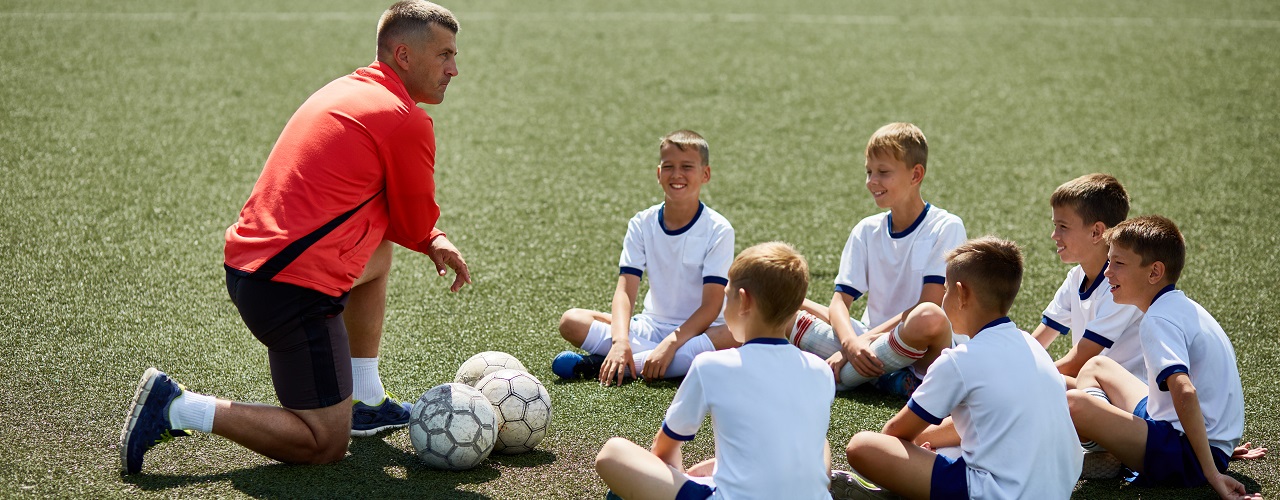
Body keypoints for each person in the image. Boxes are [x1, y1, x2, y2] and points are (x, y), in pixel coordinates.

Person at [119, 1, 470, 474]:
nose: (454, 69)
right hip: (290, 291)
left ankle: (365, 398)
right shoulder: (403, 119)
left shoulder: (349, 88)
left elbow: (395, 224)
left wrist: (430, 237)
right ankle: (179, 406)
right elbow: (412, 222)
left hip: (253, 269)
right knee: (324, 443)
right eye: (445, 55)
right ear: (403, 55)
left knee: (379, 250)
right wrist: (433, 237)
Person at [838, 237, 1082, 500]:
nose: (943, 299)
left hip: (997, 492)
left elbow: (894, 435)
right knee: (947, 448)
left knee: (864, 446)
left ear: (961, 293)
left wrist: (917, 454)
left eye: (945, 290)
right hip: (1057, 489)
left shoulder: (959, 360)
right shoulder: (1031, 346)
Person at [595, 242, 834, 500]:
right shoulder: (821, 370)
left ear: (743, 300)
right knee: (819, 441)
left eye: (726, 295)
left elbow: (663, 451)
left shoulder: (711, 365)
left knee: (612, 452)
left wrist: (677, 480)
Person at [1067, 216, 1260, 499]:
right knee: (1097, 365)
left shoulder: (1158, 319)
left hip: (1185, 453)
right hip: (1190, 436)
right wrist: (1220, 447)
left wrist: (1211, 471)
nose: (1108, 272)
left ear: (1154, 272)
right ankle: (1113, 450)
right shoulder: (1180, 305)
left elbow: (1185, 390)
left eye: (1118, 263)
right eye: (1109, 261)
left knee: (1074, 404)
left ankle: (1109, 452)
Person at [786, 122, 965, 394]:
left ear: (916, 174)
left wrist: (860, 344)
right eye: (869, 172)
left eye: (883, 172)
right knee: (784, 308)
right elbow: (839, 303)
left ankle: (847, 373)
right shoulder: (866, 230)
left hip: (921, 346)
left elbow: (930, 302)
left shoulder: (945, 226)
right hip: (869, 342)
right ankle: (883, 378)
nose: (872, 181)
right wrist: (850, 344)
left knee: (928, 317)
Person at [553, 130, 737, 386]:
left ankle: (614, 366)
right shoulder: (642, 223)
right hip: (651, 326)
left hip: (702, 332)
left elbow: (711, 306)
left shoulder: (719, 229)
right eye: (668, 166)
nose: (677, 174)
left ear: (705, 174)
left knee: (735, 334)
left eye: (687, 166)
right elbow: (626, 291)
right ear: (658, 173)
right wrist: (620, 341)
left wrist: (671, 345)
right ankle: (649, 361)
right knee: (571, 321)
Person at [1031, 173, 1145, 384]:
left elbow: (1077, 363)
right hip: (1095, 388)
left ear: (1096, 232)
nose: (1054, 235)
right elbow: (1038, 341)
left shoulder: (1122, 285)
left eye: (1063, 227)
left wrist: (1023, 380)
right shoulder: (1077, 277)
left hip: (1132, 397)